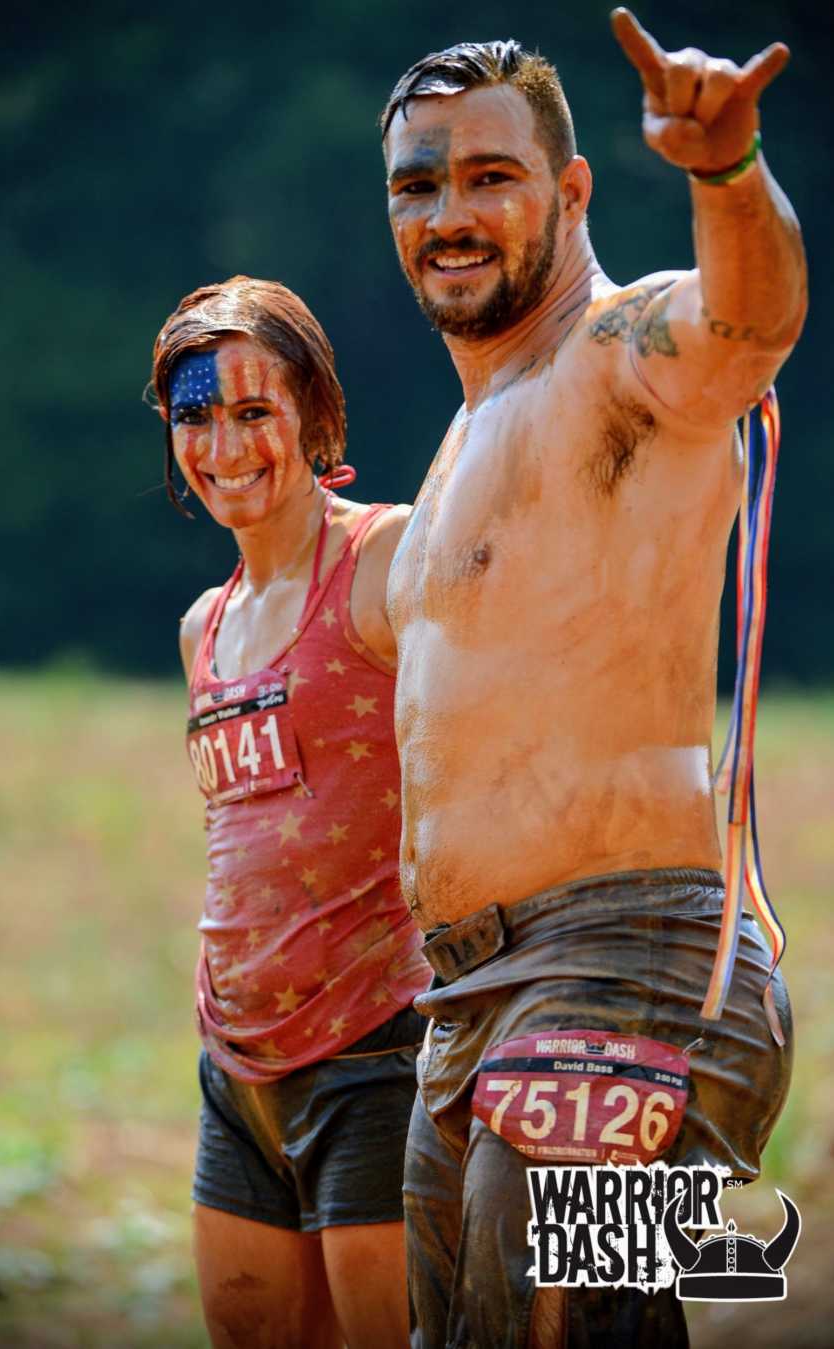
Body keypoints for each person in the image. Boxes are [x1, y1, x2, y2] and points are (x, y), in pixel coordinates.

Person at [380, 9, 806, 1346]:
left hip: (635, 963)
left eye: (489, 176)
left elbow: (748, 319)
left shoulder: (624, 355)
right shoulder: (464, 437)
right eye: (419, 183)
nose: (450, 212)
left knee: (554, 1323)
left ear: (569, 189)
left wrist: (726, 172)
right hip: (466, 1008)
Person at [150, 275, 430, 1349]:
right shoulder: (201, 626)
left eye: (254, 411)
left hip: (378, 1047)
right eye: (196, 416)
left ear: (314, 412)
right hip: (237, 1065)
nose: (223, 444)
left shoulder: (388, 560)